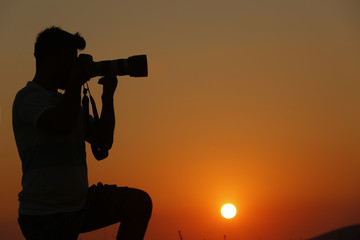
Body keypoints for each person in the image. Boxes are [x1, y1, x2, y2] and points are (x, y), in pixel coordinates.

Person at [12, 26, 152, 240]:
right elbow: (61, 124)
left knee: (139, 204)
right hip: (44, 216)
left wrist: (107, 97)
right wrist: (76, 82)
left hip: (79, 206)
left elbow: (103, 140)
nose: (73, 67)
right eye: (69, 61)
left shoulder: (67, 102)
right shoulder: (28, 98)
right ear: (50, 60)